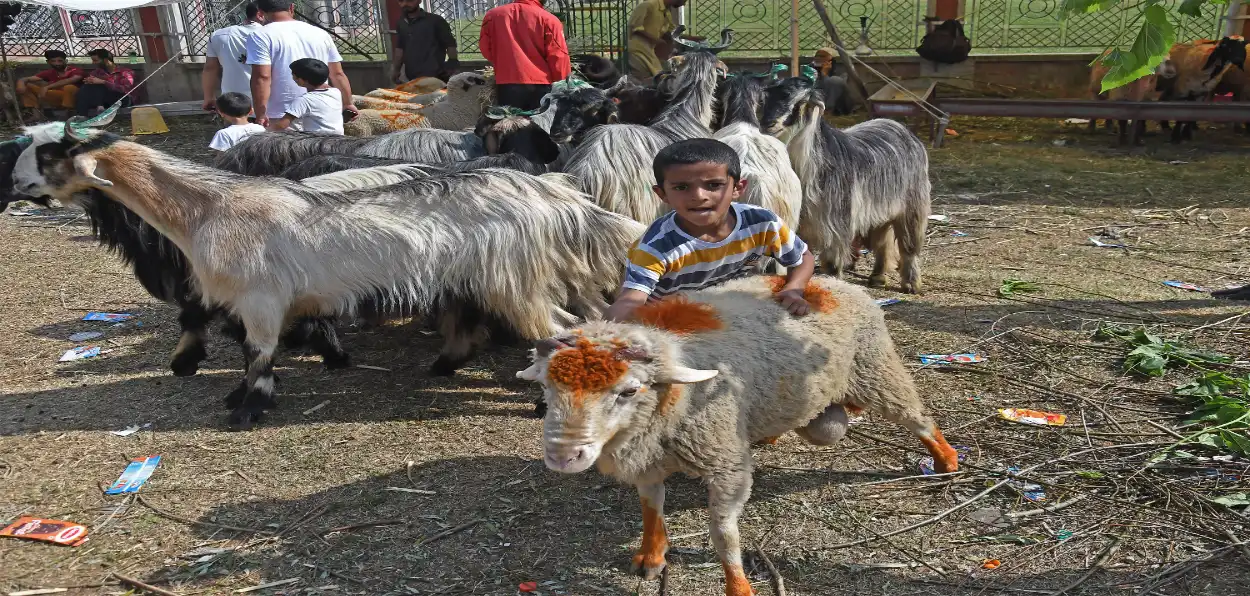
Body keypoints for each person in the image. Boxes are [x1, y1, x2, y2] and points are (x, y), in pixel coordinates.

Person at [606, 138, 815, 322]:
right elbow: (631, 300)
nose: (699, 196)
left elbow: (803, 257)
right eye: (681, 187)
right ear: (662, 194)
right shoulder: (655, 247)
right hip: (670, 318)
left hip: (727, 305)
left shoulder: (762, 223)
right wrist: (605, 333)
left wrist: (794, 288)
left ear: (738, 189)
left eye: (714, 185)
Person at [246, 0, 355, 128]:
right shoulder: (320, 33)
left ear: (261, 12)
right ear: (292, 8)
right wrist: (348, 103)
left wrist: (261, 113)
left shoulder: (260, 35)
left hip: (283, 114)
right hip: (322, 109)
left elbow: (262, 77)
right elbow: (337, 73)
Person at [479, 0, 570, 110]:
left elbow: (486, 49)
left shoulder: (492, 16)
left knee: (510, 123)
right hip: (541, 84)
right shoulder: (549, 19)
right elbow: (558, 57)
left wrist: (502, 63)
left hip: (506, 83)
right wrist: (563, 85)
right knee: (540, 123)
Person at [201, 1, 265, 111]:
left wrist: (208, 97)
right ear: (260, 15)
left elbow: (210, 68)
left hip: (233, 105)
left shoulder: (219, 35)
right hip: (268, 106)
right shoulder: (275, 35)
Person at [626, 0, 702, 84]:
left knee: (658, 78)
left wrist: (692, 38)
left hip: (649, 51)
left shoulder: (666, 12)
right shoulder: (648, 5)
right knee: (643, 80)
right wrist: (657, 40)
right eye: (684, 1)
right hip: (637, 50)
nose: (684, 4)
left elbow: (672, 33)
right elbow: (635, 28)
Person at [390, 0, 458, 84]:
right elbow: (399, 49)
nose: (405, 4)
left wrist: (452, 65)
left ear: (419, 1)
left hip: (436, 77)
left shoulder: (436, 21)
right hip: (412, 77)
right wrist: (396, 70)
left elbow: (450, 45)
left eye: (409, 0)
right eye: (401, 1)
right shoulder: (401, 23)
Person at [270, 58, 343, 134]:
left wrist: (262, 131)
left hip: (317, 142)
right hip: (338, 139)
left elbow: (282, 125)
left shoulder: (305, 100)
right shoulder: (336, 92)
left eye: (293, 76)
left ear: (301, 80)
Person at [17, 50, 83, 115]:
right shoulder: (49, 72)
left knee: (69, 87)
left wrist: (47, 87)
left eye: (60, 61)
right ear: (48, 62)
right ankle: (36, 115)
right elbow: (26, 79)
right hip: (58, 98)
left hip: (77, 98)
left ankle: (67, 112)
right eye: (53, 61)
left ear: (66, 61)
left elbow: (72, 79)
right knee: (27, 86)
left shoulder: (74, 70)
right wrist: (21, 83)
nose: (57, 63)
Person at [75, 49, 135, 117]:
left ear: (106, 60)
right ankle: (82, 116)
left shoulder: (125, 72)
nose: (93, 63)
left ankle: (97, 108)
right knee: (86, 87)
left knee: (100, 84)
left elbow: (124, 89)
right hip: (103, 100)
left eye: (95, 60)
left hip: (122, 99)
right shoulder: (96, 72)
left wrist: (104, 82)